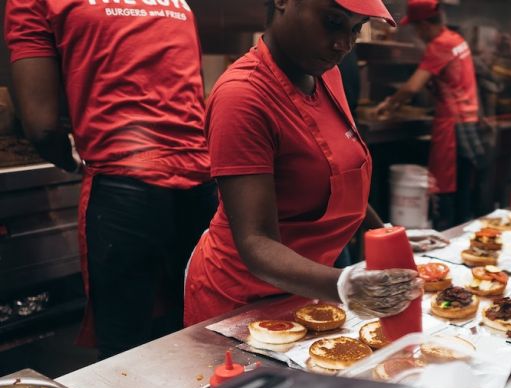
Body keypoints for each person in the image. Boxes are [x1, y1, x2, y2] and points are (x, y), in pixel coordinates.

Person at [183, 0, 422, 326]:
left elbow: (339, 177)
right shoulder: (243, 97)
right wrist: (342, 285)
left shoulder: (327, 75)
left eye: (355, 28)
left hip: (309, 292)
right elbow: (255, 243)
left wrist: (385, 235)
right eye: (332, 21)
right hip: (242, 305)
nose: (344, 44)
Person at [5, 0, 218, 359]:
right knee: (200, 338)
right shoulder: (176, 2)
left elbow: (40, 126)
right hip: (202, 182)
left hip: (126, 186)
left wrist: (72, 159)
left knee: (125, 353)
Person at [374, 0, 483, 229]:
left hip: (453, 126)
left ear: (423, 25)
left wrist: (388, 105)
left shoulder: (439, 45)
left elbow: (412, 87)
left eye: (415, 28)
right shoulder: (456, 39)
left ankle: (447, 243)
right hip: (468, 121)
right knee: (463, 191)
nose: (416, 33)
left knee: (447, 194)